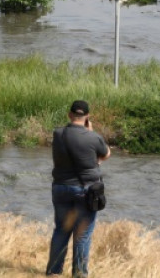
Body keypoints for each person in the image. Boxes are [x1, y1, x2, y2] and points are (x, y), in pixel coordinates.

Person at [46, 100, 111, 277]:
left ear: (69, 114)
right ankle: (80, 274)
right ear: (87, 117)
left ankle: (53, 272)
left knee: (61, 230)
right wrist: (89, 131)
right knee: (82, 235)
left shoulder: (58, 134)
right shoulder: (93, 137)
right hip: (85, 190)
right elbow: (106, 154)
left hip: (60, 187)